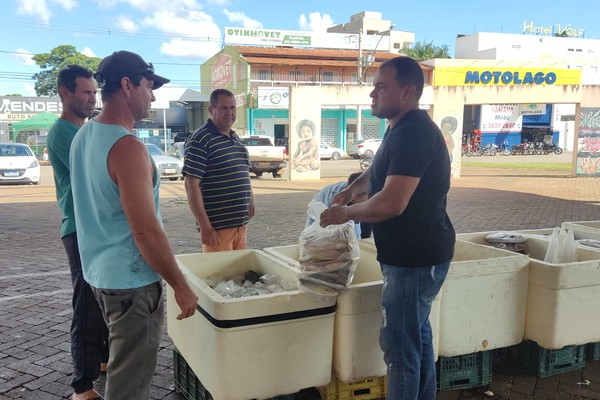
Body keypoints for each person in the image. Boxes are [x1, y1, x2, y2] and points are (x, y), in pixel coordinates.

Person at [320, 56, 455, 400]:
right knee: (417, 336)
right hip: (418, 254)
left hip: (414, 259)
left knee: (400, 351)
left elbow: (392, 202)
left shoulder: (413, 133)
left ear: (408, 92)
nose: (372, 94)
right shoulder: (401, 128)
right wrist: (352, 189)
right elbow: (381, 171)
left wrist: (347, 213)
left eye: (382, 87)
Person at [69, 50, 198, 400]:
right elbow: (145, 231)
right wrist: (180, 285)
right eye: (149, 85)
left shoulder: (83, 136)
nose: (153, 95)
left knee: (122, 371)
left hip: (99, 276)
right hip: (131, 285)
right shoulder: (127, 148)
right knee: (129, 386)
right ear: (127, 85)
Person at [46, 64, 109, 400]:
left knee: (100, 301)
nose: (91, 98)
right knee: (86, 305)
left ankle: (101, 360)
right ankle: (82, 387)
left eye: (94, 92)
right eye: (85, 92)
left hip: (93, 228)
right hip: (78, 229)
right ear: (64, 93)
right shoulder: (63, 133)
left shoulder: (86, 130)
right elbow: (96, 172)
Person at [183, 89, 254, 252]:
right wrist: (205, 227)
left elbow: (243, 175)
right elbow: (191, 185)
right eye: (224, 108)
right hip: (217, 229)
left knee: (239, 275)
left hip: (240, 226)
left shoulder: (235, 139)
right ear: (211, 110)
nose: (229, 112)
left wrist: (250, 199)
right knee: (221, 276)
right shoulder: (200, 140)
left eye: (233, 108)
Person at [305, 172, 370, 239]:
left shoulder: (372, 193)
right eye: (368, 194)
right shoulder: (338, 198)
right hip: (321, 203)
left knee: (361, 233)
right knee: (320, 231)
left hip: (357, 206)